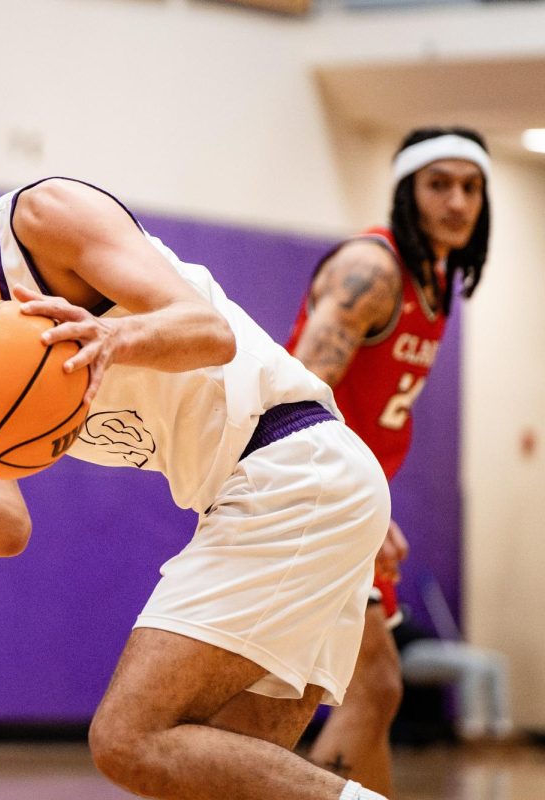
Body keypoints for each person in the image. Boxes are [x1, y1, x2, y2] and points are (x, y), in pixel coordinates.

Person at [0, 76, 392, 800]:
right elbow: (4, 526)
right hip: (279, 494)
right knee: (222, 778)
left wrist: (111, 335)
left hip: (290, 467)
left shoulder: (45, 218)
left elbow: (207, 333)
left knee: (127, 739)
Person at [286, 127, 490, 794]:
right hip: (309, 491)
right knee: (363, 688)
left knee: (372, 690)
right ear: (408, 191)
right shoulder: (372, 271)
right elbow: (298, 393)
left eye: (471, 186)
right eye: (439, 184)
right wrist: (361, 505)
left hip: (345, 496)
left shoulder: (436, 283)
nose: (458, 201)